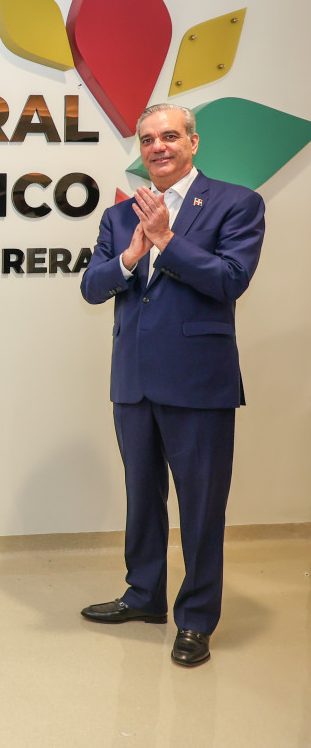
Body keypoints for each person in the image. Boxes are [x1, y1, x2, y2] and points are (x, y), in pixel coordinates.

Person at [78, 103, 265, 667]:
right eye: (148, 139)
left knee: (201, 506)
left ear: (193, 142)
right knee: (142, 497)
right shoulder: (119, 217)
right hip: (133, 381)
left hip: (199, 382)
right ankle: (144, 595)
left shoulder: (236, 203)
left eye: (170, 136)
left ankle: (197, 619)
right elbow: (92, 287)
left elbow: (230, 280)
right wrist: (131, 255)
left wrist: (165, 239)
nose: (158, 147)